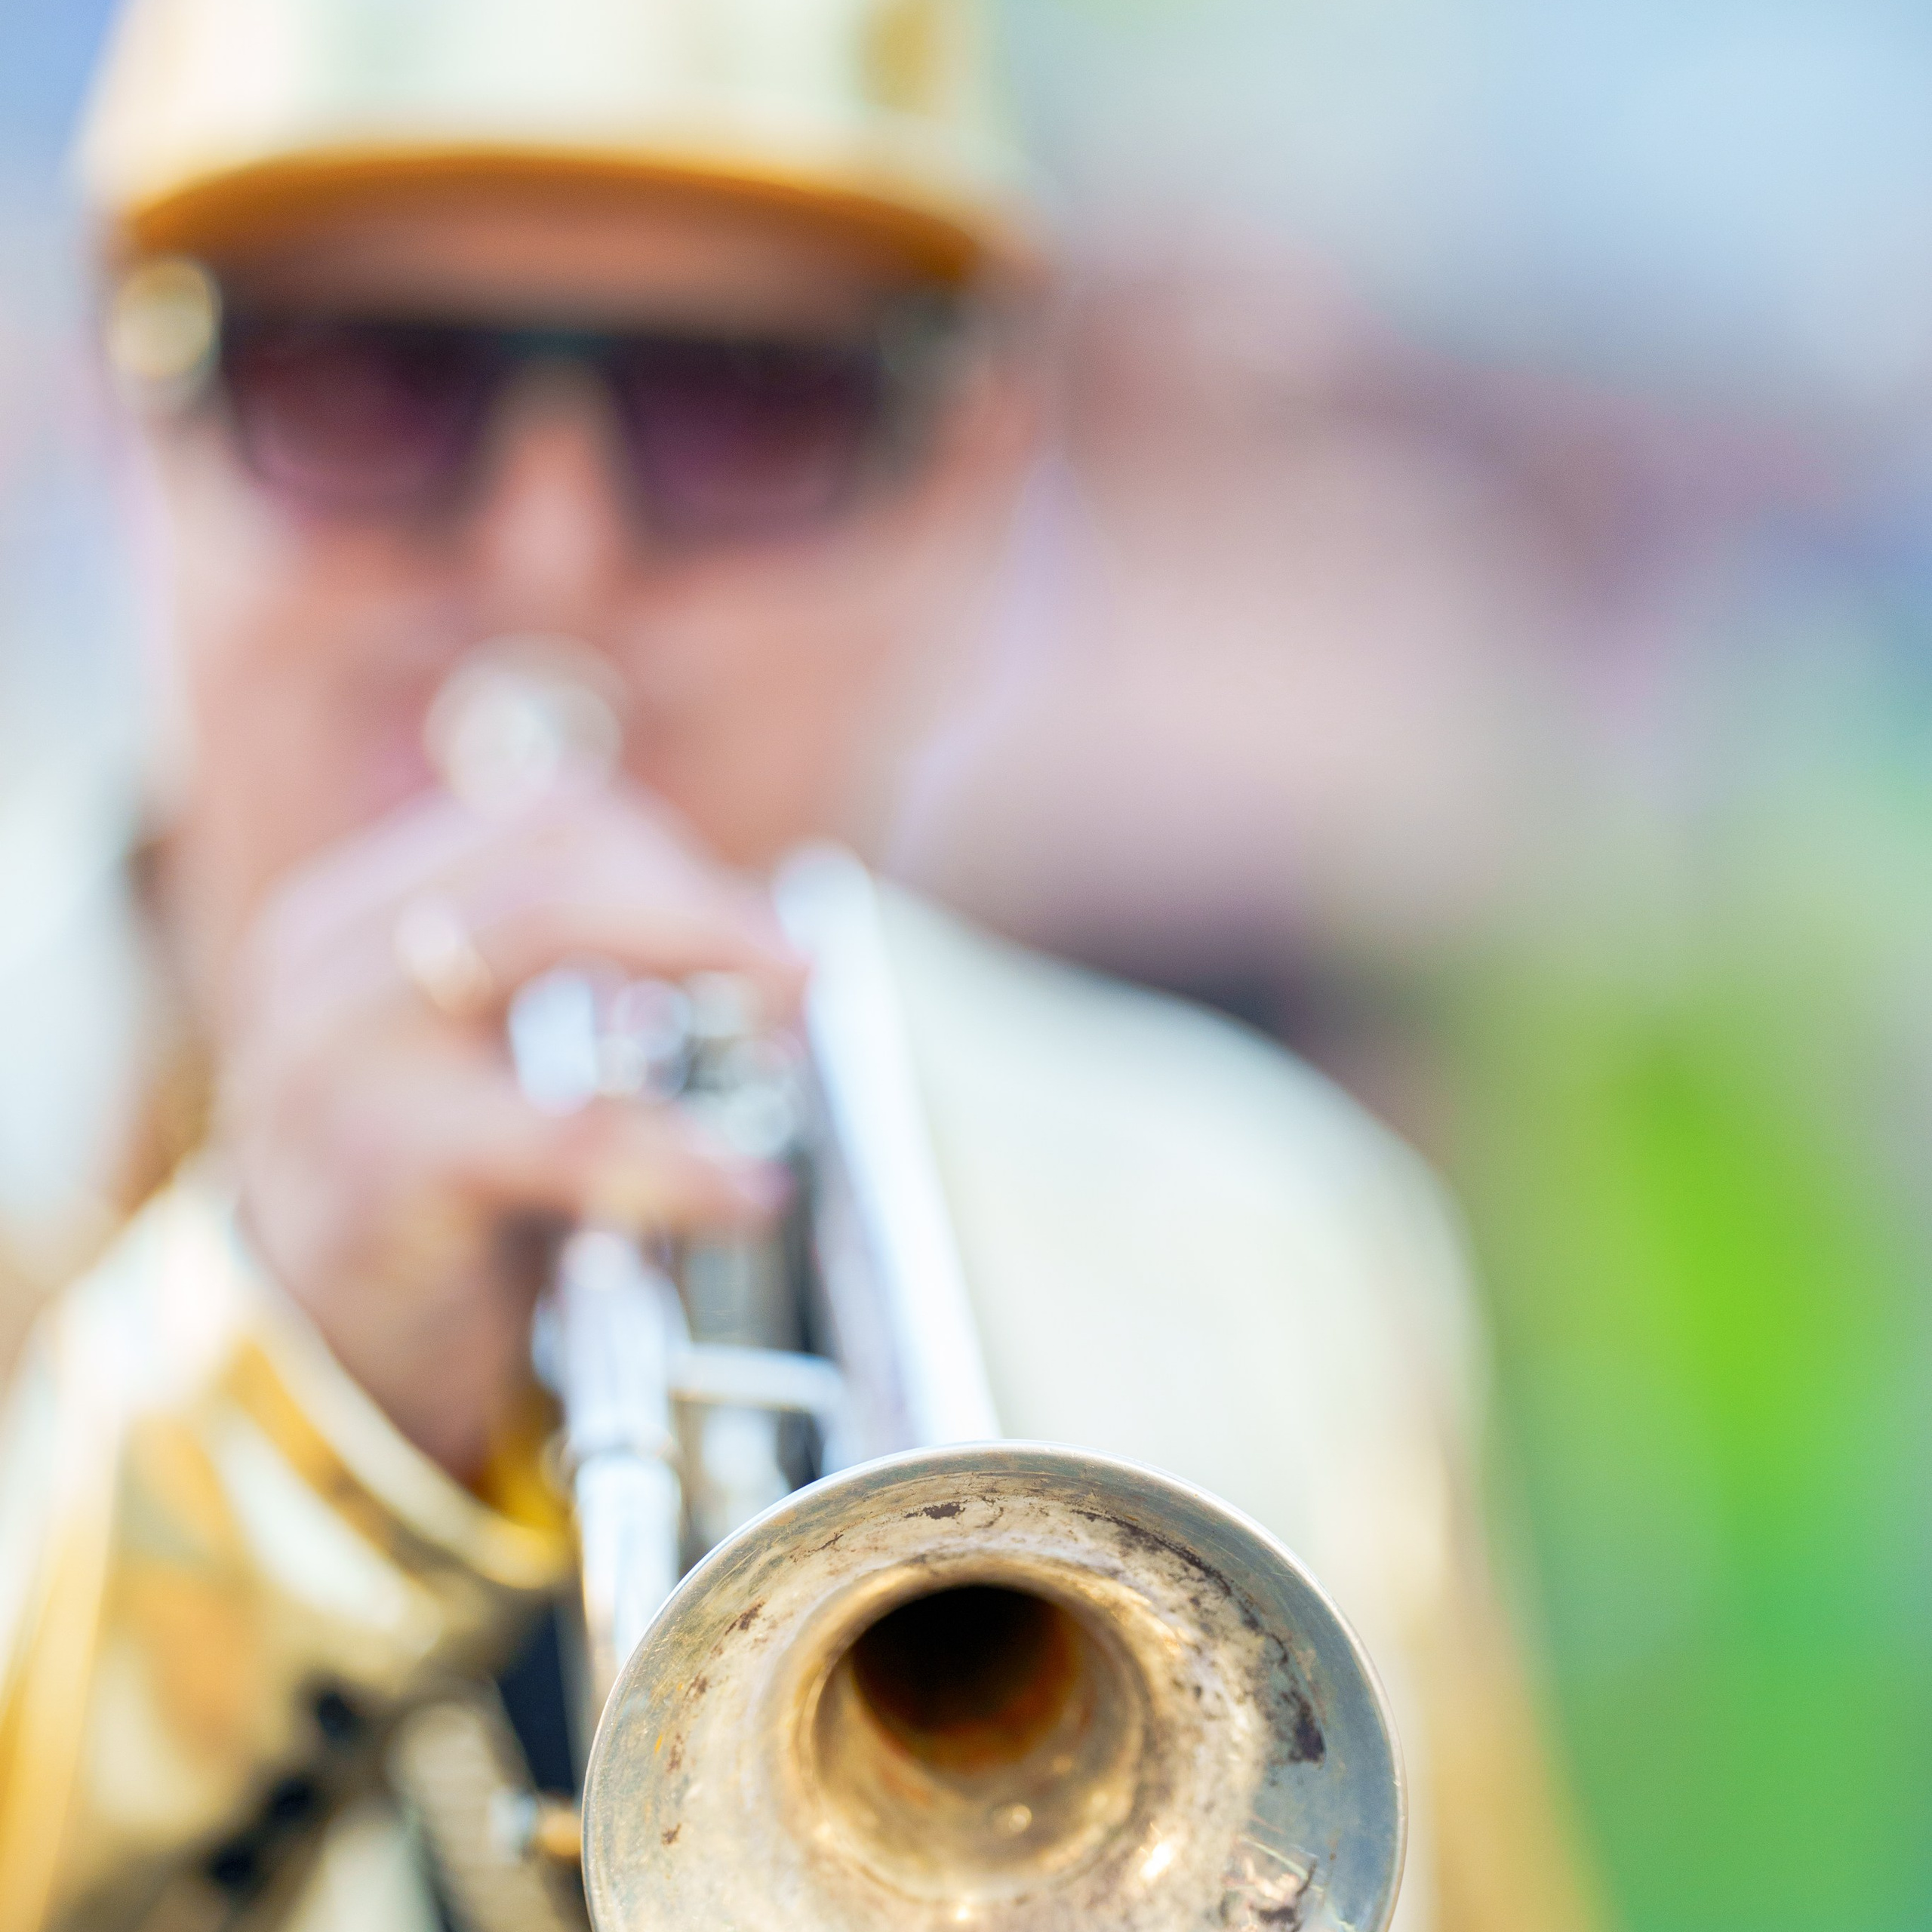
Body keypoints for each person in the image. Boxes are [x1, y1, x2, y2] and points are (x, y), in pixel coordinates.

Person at [0, 2, 1597, 1928]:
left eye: (744, 399)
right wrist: (264, 1415)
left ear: (968, 465)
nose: (546, 551)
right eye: (367, 381)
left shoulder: (1266, 1243)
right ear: (127, 404)